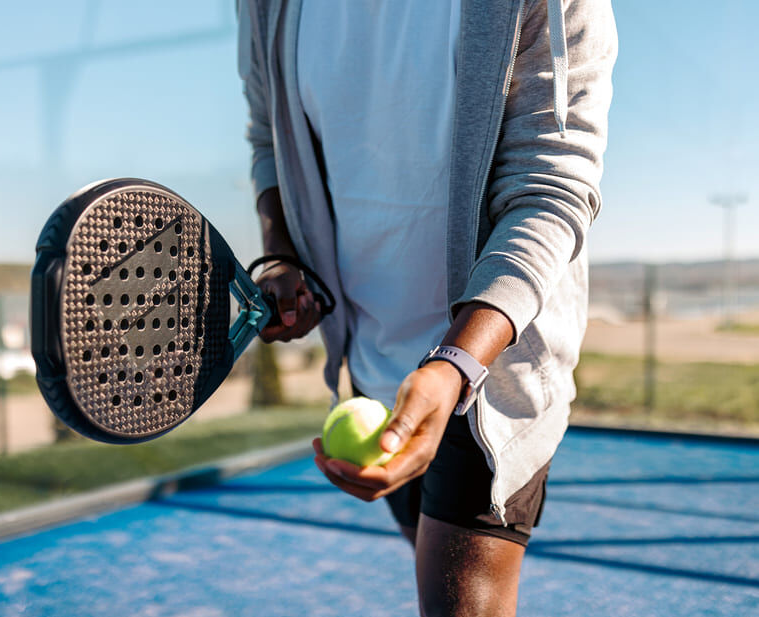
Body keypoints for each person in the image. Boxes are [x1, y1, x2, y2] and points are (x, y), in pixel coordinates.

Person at [237, 0, 617, 615]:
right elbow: (268, 136)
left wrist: (456, 364)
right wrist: (282, 257)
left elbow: (550, 187)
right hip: (370, 360)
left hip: (490, 363)